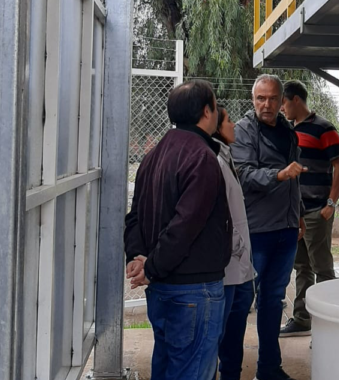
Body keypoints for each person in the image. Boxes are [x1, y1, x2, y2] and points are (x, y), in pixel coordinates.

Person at [124, 79, 232, 380]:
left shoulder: (153, 155)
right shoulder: (202, 158)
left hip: (162, 289)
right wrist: (152, 266)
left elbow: (134, 217)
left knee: (168, 366)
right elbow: (185, 225)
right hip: (194, 291)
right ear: (207, 112)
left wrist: (138, 256)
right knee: (193, 370)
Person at [231, 74, 306, 380]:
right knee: (242, 302)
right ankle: (231, 370)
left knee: (273, 301)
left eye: (273, 98)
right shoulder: (243, 130)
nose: (267, 104)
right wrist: (278, 176)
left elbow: (295, 178)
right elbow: (244, 175)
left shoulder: (288, 130)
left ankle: (269, 368)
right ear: (253, 99)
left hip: (286, 230)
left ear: (281, 100)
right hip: (256, 231)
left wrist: (298, 214)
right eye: (261, 98)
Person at [279, 80, 339, 337]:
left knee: (322, 269)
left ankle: (329, 323)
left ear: (295, 100)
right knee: (301, 267)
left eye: (282, 102)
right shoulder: (289, 130)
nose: (281, 108)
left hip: (317, 210)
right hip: (296, 212)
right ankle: (302, 319)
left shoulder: (324, 129)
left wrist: (331, 203)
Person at [212, 106, 256, 380]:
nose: (234, 126)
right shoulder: (213, 161)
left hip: (240, 269)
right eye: (229, 121)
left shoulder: (226, 156)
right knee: (220, 337)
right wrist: (238, 246)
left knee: (233, 339)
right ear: (215, 127)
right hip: (227, 268)